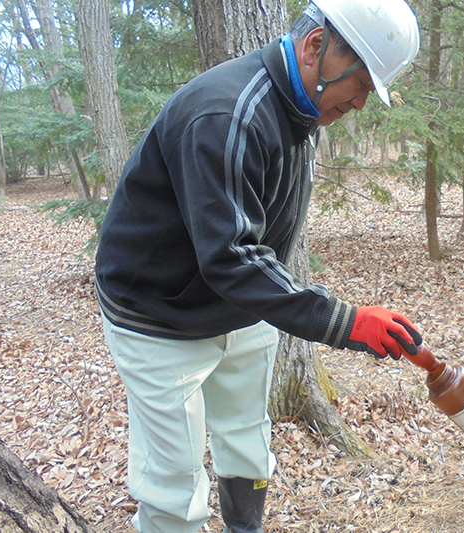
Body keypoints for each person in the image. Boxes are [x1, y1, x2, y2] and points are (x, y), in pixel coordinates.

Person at [94, 1, 421, 532]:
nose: (361, 102)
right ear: (316, 46)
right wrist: (344, 321)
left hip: (237, 305)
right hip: (156, 314)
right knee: (172, 488)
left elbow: (247, 245)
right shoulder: (227, 113)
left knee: (248, 444)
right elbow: (231, 256)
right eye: (360, 82)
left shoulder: (301, 108)